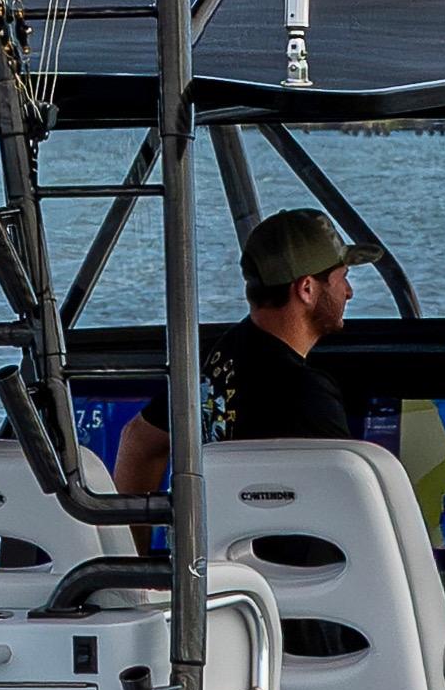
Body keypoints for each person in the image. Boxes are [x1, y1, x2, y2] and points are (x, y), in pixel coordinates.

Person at [110, 208, 357, 495]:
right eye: (342, 278)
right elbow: (346, 503)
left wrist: (131, 541)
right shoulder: (306, 393)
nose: (349, 291)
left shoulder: (215, 358)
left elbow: (138, 440)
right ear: (306, 289)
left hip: (206, 539)